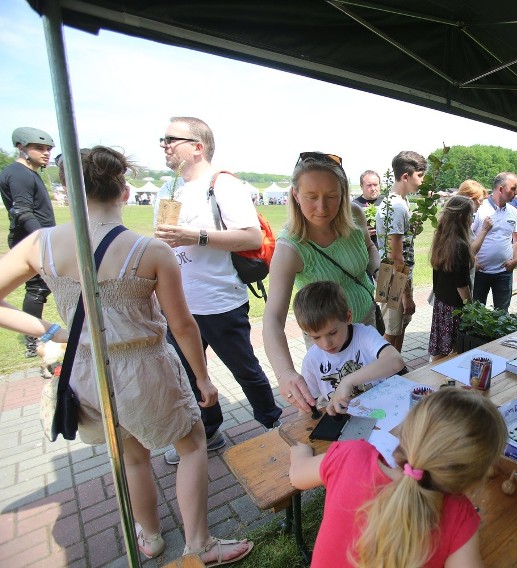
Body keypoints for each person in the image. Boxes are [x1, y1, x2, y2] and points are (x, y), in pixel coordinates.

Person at [0, 147, 253, 565]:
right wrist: (203, 379)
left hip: (88, 370)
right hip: (147, 367)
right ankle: (199, 543)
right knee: (190, 445)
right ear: (123, 190)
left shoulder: (40, 244)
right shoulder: (150, 251)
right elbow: (183, 325)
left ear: (68, 189)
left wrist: (54, 331)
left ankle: (150, 537)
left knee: (132, 456)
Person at [153, 117, 282, 464]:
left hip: (220, 302)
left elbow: (252, 236)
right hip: (178, 305)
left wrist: (196, 236)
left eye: (170, 139)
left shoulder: (222, 185)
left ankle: (273, 423)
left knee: (245, 370)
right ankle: (209, 431)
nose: (164, 145)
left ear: (197, 146)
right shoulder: (166, 190)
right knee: (189, 374)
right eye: (161, 140)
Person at [289, 387, 508, 568]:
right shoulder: (459, 516)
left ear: (404, 431)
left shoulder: (351, 455)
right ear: (474, 480)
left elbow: (297, 477)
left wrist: (300, 452)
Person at [263, 152, 379, 415]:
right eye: (311, 197)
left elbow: (370, 248)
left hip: (366, 325)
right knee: (341, 407)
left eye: (331, 197)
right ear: (295, 194)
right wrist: (285, 374)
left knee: (377, 395)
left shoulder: (355, 215)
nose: (322, 208)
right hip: (329, 344)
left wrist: (379, 271)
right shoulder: (290, 247)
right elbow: (271, 318)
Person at [293, 281, 404, 415]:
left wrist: (348, 381)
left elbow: (396, 360)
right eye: (316, 337)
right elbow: (306, 407)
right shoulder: (312, 360)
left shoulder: (364, 335)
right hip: (345, 421)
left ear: (348, 317)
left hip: (382, 410)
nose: (326, 344)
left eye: (332, 333)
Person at [0, 127, 57, 357]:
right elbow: (22, 211)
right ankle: (34, 341)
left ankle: (35, 337)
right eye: (39, 148)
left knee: (41, 288)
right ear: (21, 147)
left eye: (48, 149)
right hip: (31, 241)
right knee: (37, 289)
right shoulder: (19, 173)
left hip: (35, 239)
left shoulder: (29, 172)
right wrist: (44, 239)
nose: (46, 153)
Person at [375, 151, 427, 352]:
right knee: (391, 331)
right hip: (394, 277)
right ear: (406, 176)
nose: (421, 181)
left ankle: (396, 368)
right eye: (419, 175)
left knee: (400, 327)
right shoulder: (395, 206)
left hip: (399, 275)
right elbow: (394, 256)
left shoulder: (401, 202)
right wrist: (406, 295)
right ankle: (383, 375)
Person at [428, 195, 474, 361]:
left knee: (440, 351)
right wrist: (471, 308)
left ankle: (433, 379)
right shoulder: (459, 245)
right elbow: (461, 284)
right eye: (471, 216)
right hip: (455, 309)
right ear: (462, 217)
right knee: (456, 351)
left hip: (441, 304)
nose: (472, 220)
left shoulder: (442, 238)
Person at [471, 172, 517, 310]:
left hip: (504, 273)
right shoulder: (480, 208)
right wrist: (472, 261)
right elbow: (465, 238)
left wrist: (515, 260)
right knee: (476, 314)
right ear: (501, 189)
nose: (516, 192)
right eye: (513, 188)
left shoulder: (513, 211)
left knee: (502, 315)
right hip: (479, 273)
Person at [353, 169, 383, 246]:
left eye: (375, 185)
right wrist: (361, 234)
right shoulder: (354, 206)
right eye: (369, 185)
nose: (373, 189)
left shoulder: (387, 203)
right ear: (361, 186)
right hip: (365, 251)